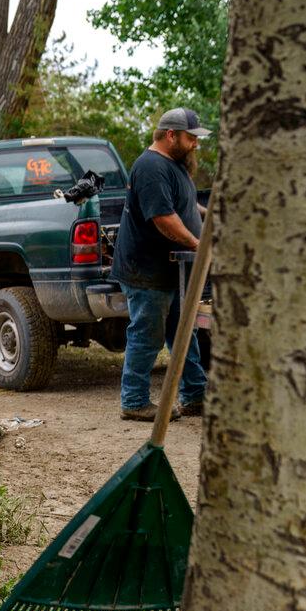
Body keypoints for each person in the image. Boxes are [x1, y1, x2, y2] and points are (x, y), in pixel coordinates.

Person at [110, 108, 210, 421]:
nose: (195, 144)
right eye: (190, 137)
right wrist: (198, 244)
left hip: (171, 271)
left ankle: (195, 395)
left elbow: (179, 203)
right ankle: (134, 401)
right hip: (147, 271)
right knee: (147, 334)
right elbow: (163, 218)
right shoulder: (151, 166)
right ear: (171, 135)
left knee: (184, 333)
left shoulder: (173, 165)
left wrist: (206, 215)